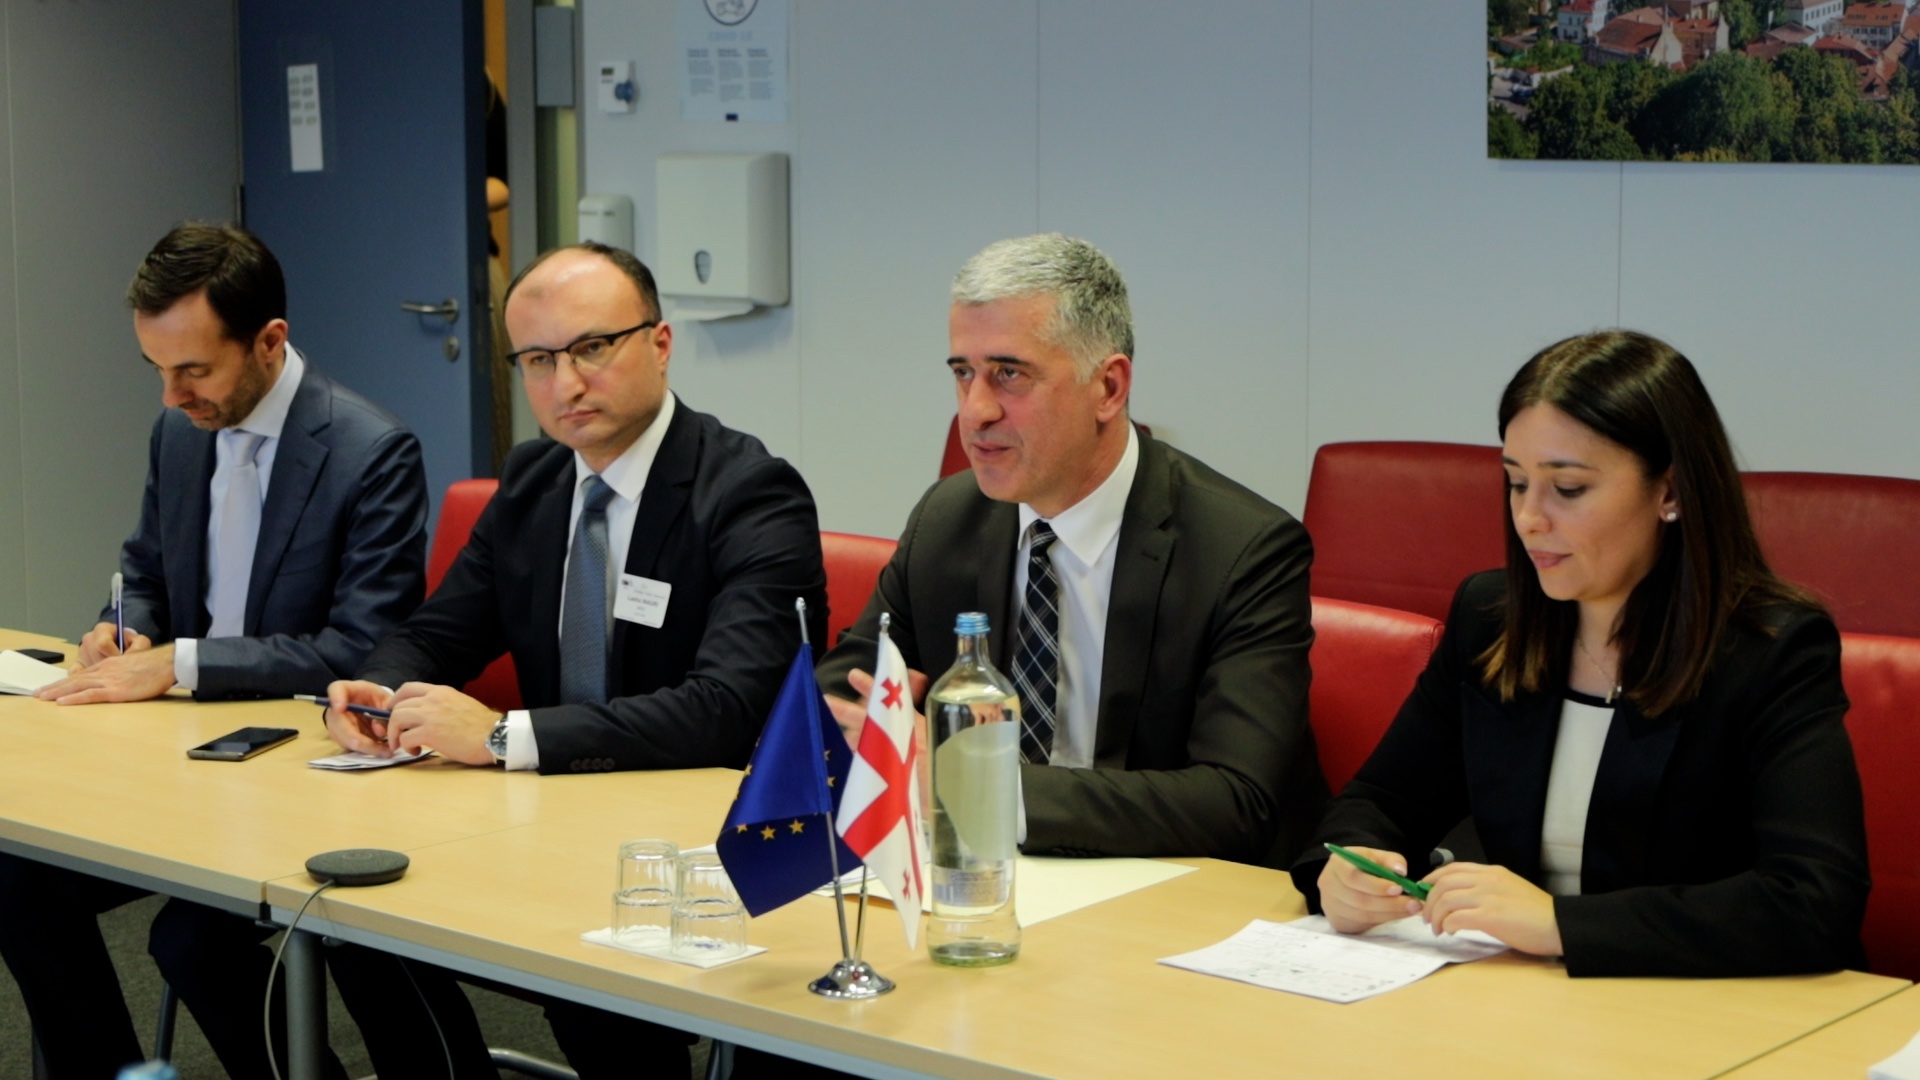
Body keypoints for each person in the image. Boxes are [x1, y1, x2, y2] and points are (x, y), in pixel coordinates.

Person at [320, 241, 828, 1078]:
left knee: (589, 994)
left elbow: (728, 710)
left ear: (660, 344)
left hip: (680, 843)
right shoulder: (535, 480)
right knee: (352, 915)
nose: (566, 383)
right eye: (539, 359)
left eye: (593, 348)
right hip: (542, 819)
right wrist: (378, 691)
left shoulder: (749, 491)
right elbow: (439, 632)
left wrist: (500, 737)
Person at [1294, 330, 1870, 977]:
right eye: (1516, 483)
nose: (1529, 517)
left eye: (1567, 489)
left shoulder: (1772, 649)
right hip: (1523, 994)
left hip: (1710, 1004)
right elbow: (1379, 801)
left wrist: (1560, 925)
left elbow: (1812, 901)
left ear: (1671, 491)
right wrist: (1346, 870)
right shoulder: (1490, 619)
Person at [3, 222, 429, 1079]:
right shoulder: (180, 432)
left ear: (269, 341)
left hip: (301, 774)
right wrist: (124, 627)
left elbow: (358, 647)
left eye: (194, 370)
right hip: (183, 765)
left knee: (190, 939)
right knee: (17, 883)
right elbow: (145, 571)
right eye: (157, 370)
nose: (172, 396)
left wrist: (177, 662)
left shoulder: (370, 451)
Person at [817, 233, 1327, 867]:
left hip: (1166, 887)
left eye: (1009, 374)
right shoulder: (947, 519)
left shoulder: (1242, 551)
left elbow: (1237, 802)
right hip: (986, 875)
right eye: (963, 374)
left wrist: (980, 788)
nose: (974, 411)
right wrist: (863, 733)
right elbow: (839, 704)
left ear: (1108, 388)